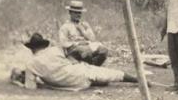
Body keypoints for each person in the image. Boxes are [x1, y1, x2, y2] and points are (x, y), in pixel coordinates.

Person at [11, 33, 143, 91]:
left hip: (69, 85)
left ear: (32, 49)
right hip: (80, 75)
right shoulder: (55, 50)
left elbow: (31, 88)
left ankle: (135, 80)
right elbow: (74, 55)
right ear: (43, 45)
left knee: (98, 75)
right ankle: (138, 80)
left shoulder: (31, 65)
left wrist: (19, 82)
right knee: (106, 74)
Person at [58, 0, 108, 66]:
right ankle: (88, 68)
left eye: (79, 13)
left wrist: (83, 31)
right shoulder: (65, 26)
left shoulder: (85, 25)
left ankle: (93, 67)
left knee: (103, 50)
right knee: (85, 51)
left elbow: (93, 39)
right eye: (75, 13)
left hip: (87, 47)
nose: (78, 15)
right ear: (70, 13)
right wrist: (77, 43)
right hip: (74, 50)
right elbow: (63, 43)